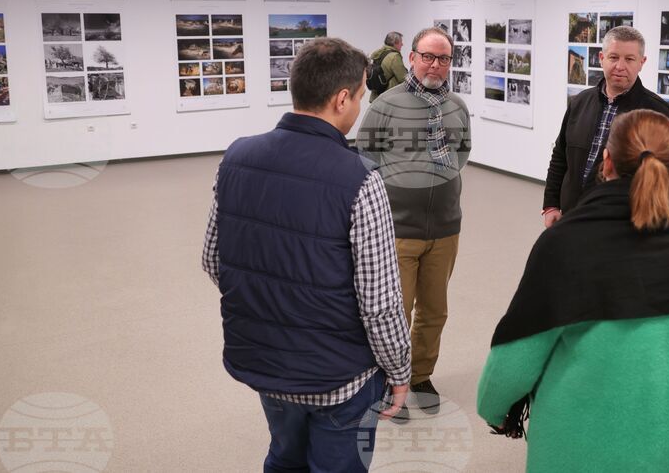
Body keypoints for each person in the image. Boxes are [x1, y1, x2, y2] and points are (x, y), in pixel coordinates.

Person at [478, 110, 669, 472]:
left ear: (606, 162)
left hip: (579, 448)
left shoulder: (565, 243)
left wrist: (493, 407)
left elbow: (517, 357)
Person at [201, 37, 411, 472]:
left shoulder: (237, 157)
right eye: (358, 96)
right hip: (338, 378)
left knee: (283, 457)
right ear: (340, 99)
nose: (358, 107)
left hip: (266, 363)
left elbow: (212, 258)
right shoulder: (360, 179)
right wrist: (400, 371)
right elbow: (380, 305)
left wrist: (272, 303)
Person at [356, 26, 472, 420]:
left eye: (443, 59)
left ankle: (421, 376)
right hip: (397, 229)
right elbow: (365, 156)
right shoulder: (386, 105)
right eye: (428, 56)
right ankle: (391, 382)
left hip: (445, 227)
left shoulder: (457, 106)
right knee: (395, 310)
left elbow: (463, 150)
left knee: (434, 311)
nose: (435, 65)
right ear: (412, 57)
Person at [543, 26, 669, 227]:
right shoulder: (580, 102)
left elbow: (664, 178)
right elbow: (560, 155)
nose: (620, 66)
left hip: (621, 221)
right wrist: (551, 204)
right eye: (613, 57)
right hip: (572, 213)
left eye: (629, 59)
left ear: (642, 62)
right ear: (601, 58)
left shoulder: (659, 113)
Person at [368, 31, 408, 101]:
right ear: (395, 43)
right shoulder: (394, 56)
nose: (402, 44)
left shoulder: (377, 54)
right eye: (400, 42)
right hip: (388, 99)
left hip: (375, 97)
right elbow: (403, 78)